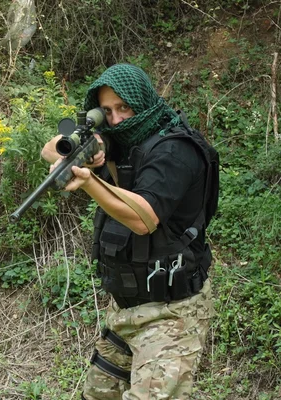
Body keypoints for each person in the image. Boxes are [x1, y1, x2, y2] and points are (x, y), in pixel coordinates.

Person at [41, 64, 216, 400]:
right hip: (124, 310)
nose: (117, 119)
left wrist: (89, 180)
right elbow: (49, 150)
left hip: (172, 313)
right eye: (107, 111)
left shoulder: (175, 151)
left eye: (124, 108)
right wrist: (84, 149)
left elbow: (144, 219)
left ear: (143, 102)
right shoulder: (120, 141)